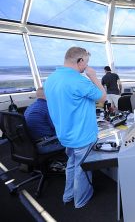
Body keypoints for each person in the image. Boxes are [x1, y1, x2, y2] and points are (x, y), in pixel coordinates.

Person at [44, 47, 106, 208]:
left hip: (65, 135)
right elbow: (103, 97)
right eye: (86, 63)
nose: (86, 66)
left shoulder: (51, 79)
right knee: (81, 170)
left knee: (71, 165)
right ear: (80, 61)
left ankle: (68, 195)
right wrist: (94, 77)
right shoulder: (79, 80)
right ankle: (81, 200)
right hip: (82, 136)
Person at [24, 87, 64, 154]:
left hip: (32, 144)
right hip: (46, 144)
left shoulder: (30, 107)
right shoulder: (48, 107)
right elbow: (58, 127)